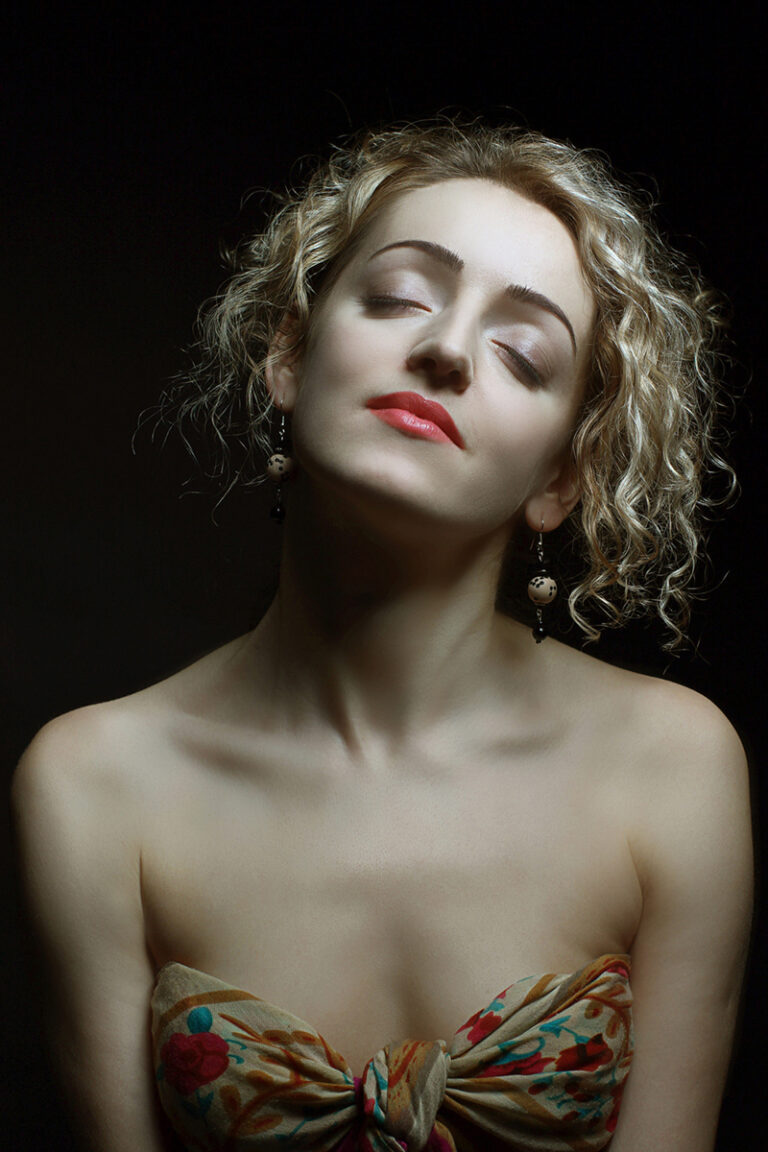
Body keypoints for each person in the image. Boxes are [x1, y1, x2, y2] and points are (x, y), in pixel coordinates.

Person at [12, 121, 753, 1152]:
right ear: (289, 354)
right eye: (401, 296)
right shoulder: (92, 787)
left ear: (559, 479)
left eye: (522, 353)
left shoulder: (673, 768)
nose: (445, 349)